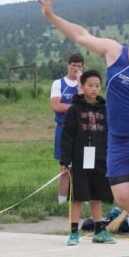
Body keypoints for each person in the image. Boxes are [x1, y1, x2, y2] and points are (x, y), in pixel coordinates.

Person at [38, 0, 129, 257]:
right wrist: (51, 16)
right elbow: (81, 35)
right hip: (119, 140)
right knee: (123, 197)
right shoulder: (115, 52)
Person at [60, 69, 115, 246]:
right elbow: (67, 136)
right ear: (82, 87)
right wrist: (65, 160)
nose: (94, 89)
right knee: (78, 195)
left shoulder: (105, 110)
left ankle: (99, 230)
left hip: (100, 158)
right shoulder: (73, 110)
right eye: (90, 85)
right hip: (79, 159)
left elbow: (110, 134)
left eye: (97, 86)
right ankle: (74, 232)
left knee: (97, 194)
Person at [50, 52, 84, 204]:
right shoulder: (58, 83)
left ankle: (81, 200)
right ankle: (62, 202)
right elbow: (56, 106)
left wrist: (79, 83)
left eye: (79, 66)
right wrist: (75, 107)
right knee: (65, 168)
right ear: (68, 65)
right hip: (63, 129)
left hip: (81, 130)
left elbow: (85, 104)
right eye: (73, 65)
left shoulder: (83, 84)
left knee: (82, 167)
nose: (76, 68)